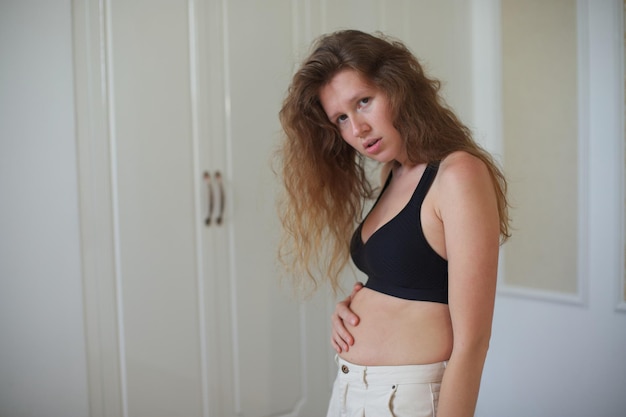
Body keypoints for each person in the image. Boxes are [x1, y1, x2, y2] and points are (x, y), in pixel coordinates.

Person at [277, 29, 510, 417]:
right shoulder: (392, 173)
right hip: (350, 387)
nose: (357, 129)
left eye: (364, 102)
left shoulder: (458, 175)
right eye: (341, 119)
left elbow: (473, 342)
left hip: (407, 397)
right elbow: (400, 283)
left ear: (397, 87)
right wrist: (350, 309)